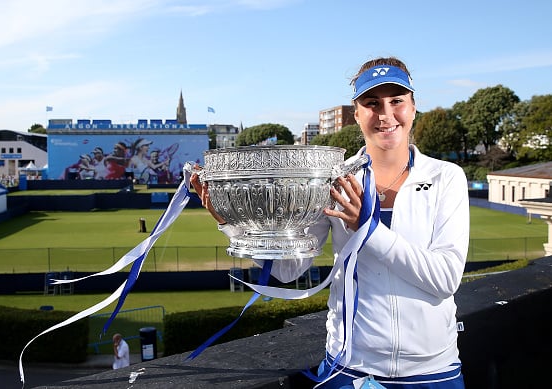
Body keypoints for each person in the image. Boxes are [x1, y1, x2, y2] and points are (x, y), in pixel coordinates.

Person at [190, 56, 469, 388]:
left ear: (413, 107)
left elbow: (445, 278)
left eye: (397, 101)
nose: (386, 114)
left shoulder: (446, 177)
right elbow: (289, 269)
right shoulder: (334, 177)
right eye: (372, 103)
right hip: (351, 368)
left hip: (433, 370)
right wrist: (233, 222)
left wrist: (368, 228)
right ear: (357, 113)